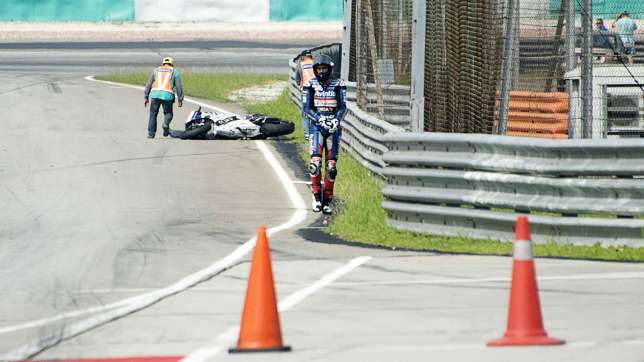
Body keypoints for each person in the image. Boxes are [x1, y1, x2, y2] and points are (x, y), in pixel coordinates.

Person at [302, 54, 347, 214]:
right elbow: (306, 108)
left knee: (332, 168)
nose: (321, 71)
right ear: (315, 70)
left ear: (329, 69)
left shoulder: (338, 83)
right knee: (314, 165)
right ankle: (316, 197)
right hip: (317, 127)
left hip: (333, 129)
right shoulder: (310, 84)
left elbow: (343, 107)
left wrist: (336, 120)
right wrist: (319, 119)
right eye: (319, 68)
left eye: (324, 68)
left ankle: (327, 199)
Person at [144, 56, 184, 138]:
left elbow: (148, 84)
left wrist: (146, 96)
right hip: (167, 95)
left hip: (155, 94)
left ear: (163, 63)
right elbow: (179, 87)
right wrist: (180, 99)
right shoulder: (174, 71)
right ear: (172, 64)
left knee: (153, 114)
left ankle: (151, 134)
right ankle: (165, 124)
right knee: (168, 113)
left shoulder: (156, 70)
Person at [294, 51, 315, 139]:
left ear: (303, 57)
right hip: (317, 90)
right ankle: (315, 131)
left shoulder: (301, 64)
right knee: (316, 110)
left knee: (305, 112)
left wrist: (300, 83)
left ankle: (307, 133)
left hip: (306, 91)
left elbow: (297, 79)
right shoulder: (316, 62)